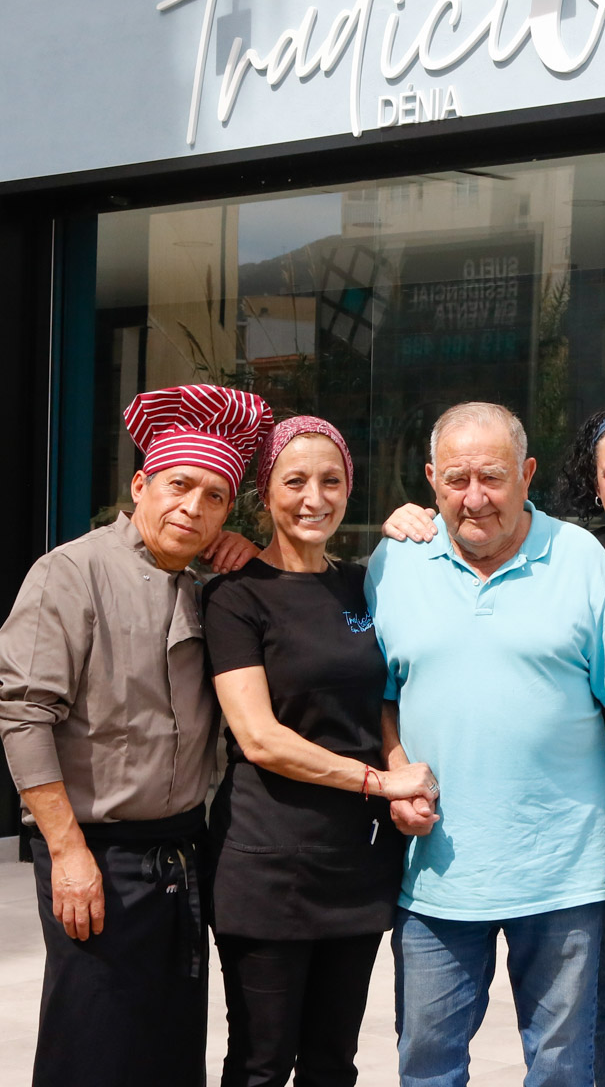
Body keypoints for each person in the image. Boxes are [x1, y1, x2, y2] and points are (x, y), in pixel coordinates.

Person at [385, 403, 605, 1087]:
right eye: (456, 478)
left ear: (526, 475)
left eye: (491, 476)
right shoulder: (401, 561)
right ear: (431, 480)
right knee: (583, 1021)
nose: (475, 495)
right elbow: (378, 686)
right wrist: (394, 774)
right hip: (505, 846)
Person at [0, 383, 272, 1087]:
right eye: (180, 485)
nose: (194, 508)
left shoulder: (212, 583)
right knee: (92, 1041)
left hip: (184, 851)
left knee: (169, 1047)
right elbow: (24, 716)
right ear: (141, 483)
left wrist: (247, 555)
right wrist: (67, 853)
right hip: (97, 853)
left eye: (215, 498)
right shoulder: (70, 573)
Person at [203, 415, 441, 1087]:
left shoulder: (363, 582)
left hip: (355, 865)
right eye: (296, 481)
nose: (315, 498)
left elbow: (387, 695)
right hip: (268, 865)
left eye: (331, 481)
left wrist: (409, 526)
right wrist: (379, 783)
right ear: (266, 492)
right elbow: (259, 738)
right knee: (261, 1061)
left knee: (334, 1062)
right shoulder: (235, 594)